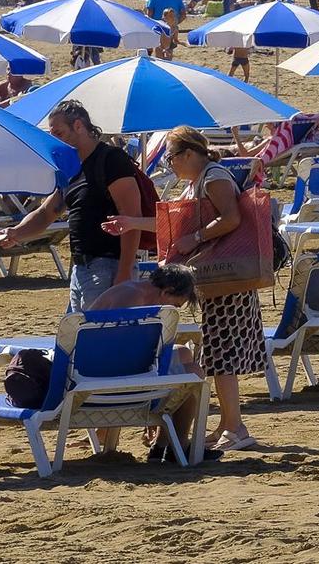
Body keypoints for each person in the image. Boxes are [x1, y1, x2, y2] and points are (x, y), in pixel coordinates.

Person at [105, 125, 261, 453]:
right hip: (215, 280)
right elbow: (173, 227)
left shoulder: (213, 176)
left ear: (190, 153)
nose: (170, 164)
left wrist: (198, 238)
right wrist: (132, 223)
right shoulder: (196, 182)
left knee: (224, 352)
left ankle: (235, 427)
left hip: (226, 280)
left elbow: (231, 218)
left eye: (172, 156)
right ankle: (227, 425)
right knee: (218, 352)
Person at [0, 100, 144, 309]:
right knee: (82, 335)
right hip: (81, 268)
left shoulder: (111, 160)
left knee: (100, 334)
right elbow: (47, 212)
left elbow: (132, 218)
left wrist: (125, 272)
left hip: (109, 265)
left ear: (79, 126)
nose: (55, 140)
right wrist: (16, 232)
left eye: (59, 133)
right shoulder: (72, 166)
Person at [92, 263, 209, 462]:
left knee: (183, 354)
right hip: (107, 379)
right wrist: (154, 392)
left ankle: (162, 445)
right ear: (167, 291)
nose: (173, 310)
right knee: (194, 374)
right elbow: (123, 352)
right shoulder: (133, 301)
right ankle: (178, 445)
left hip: (96, 369)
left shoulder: (132, 290)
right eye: (176, 305)